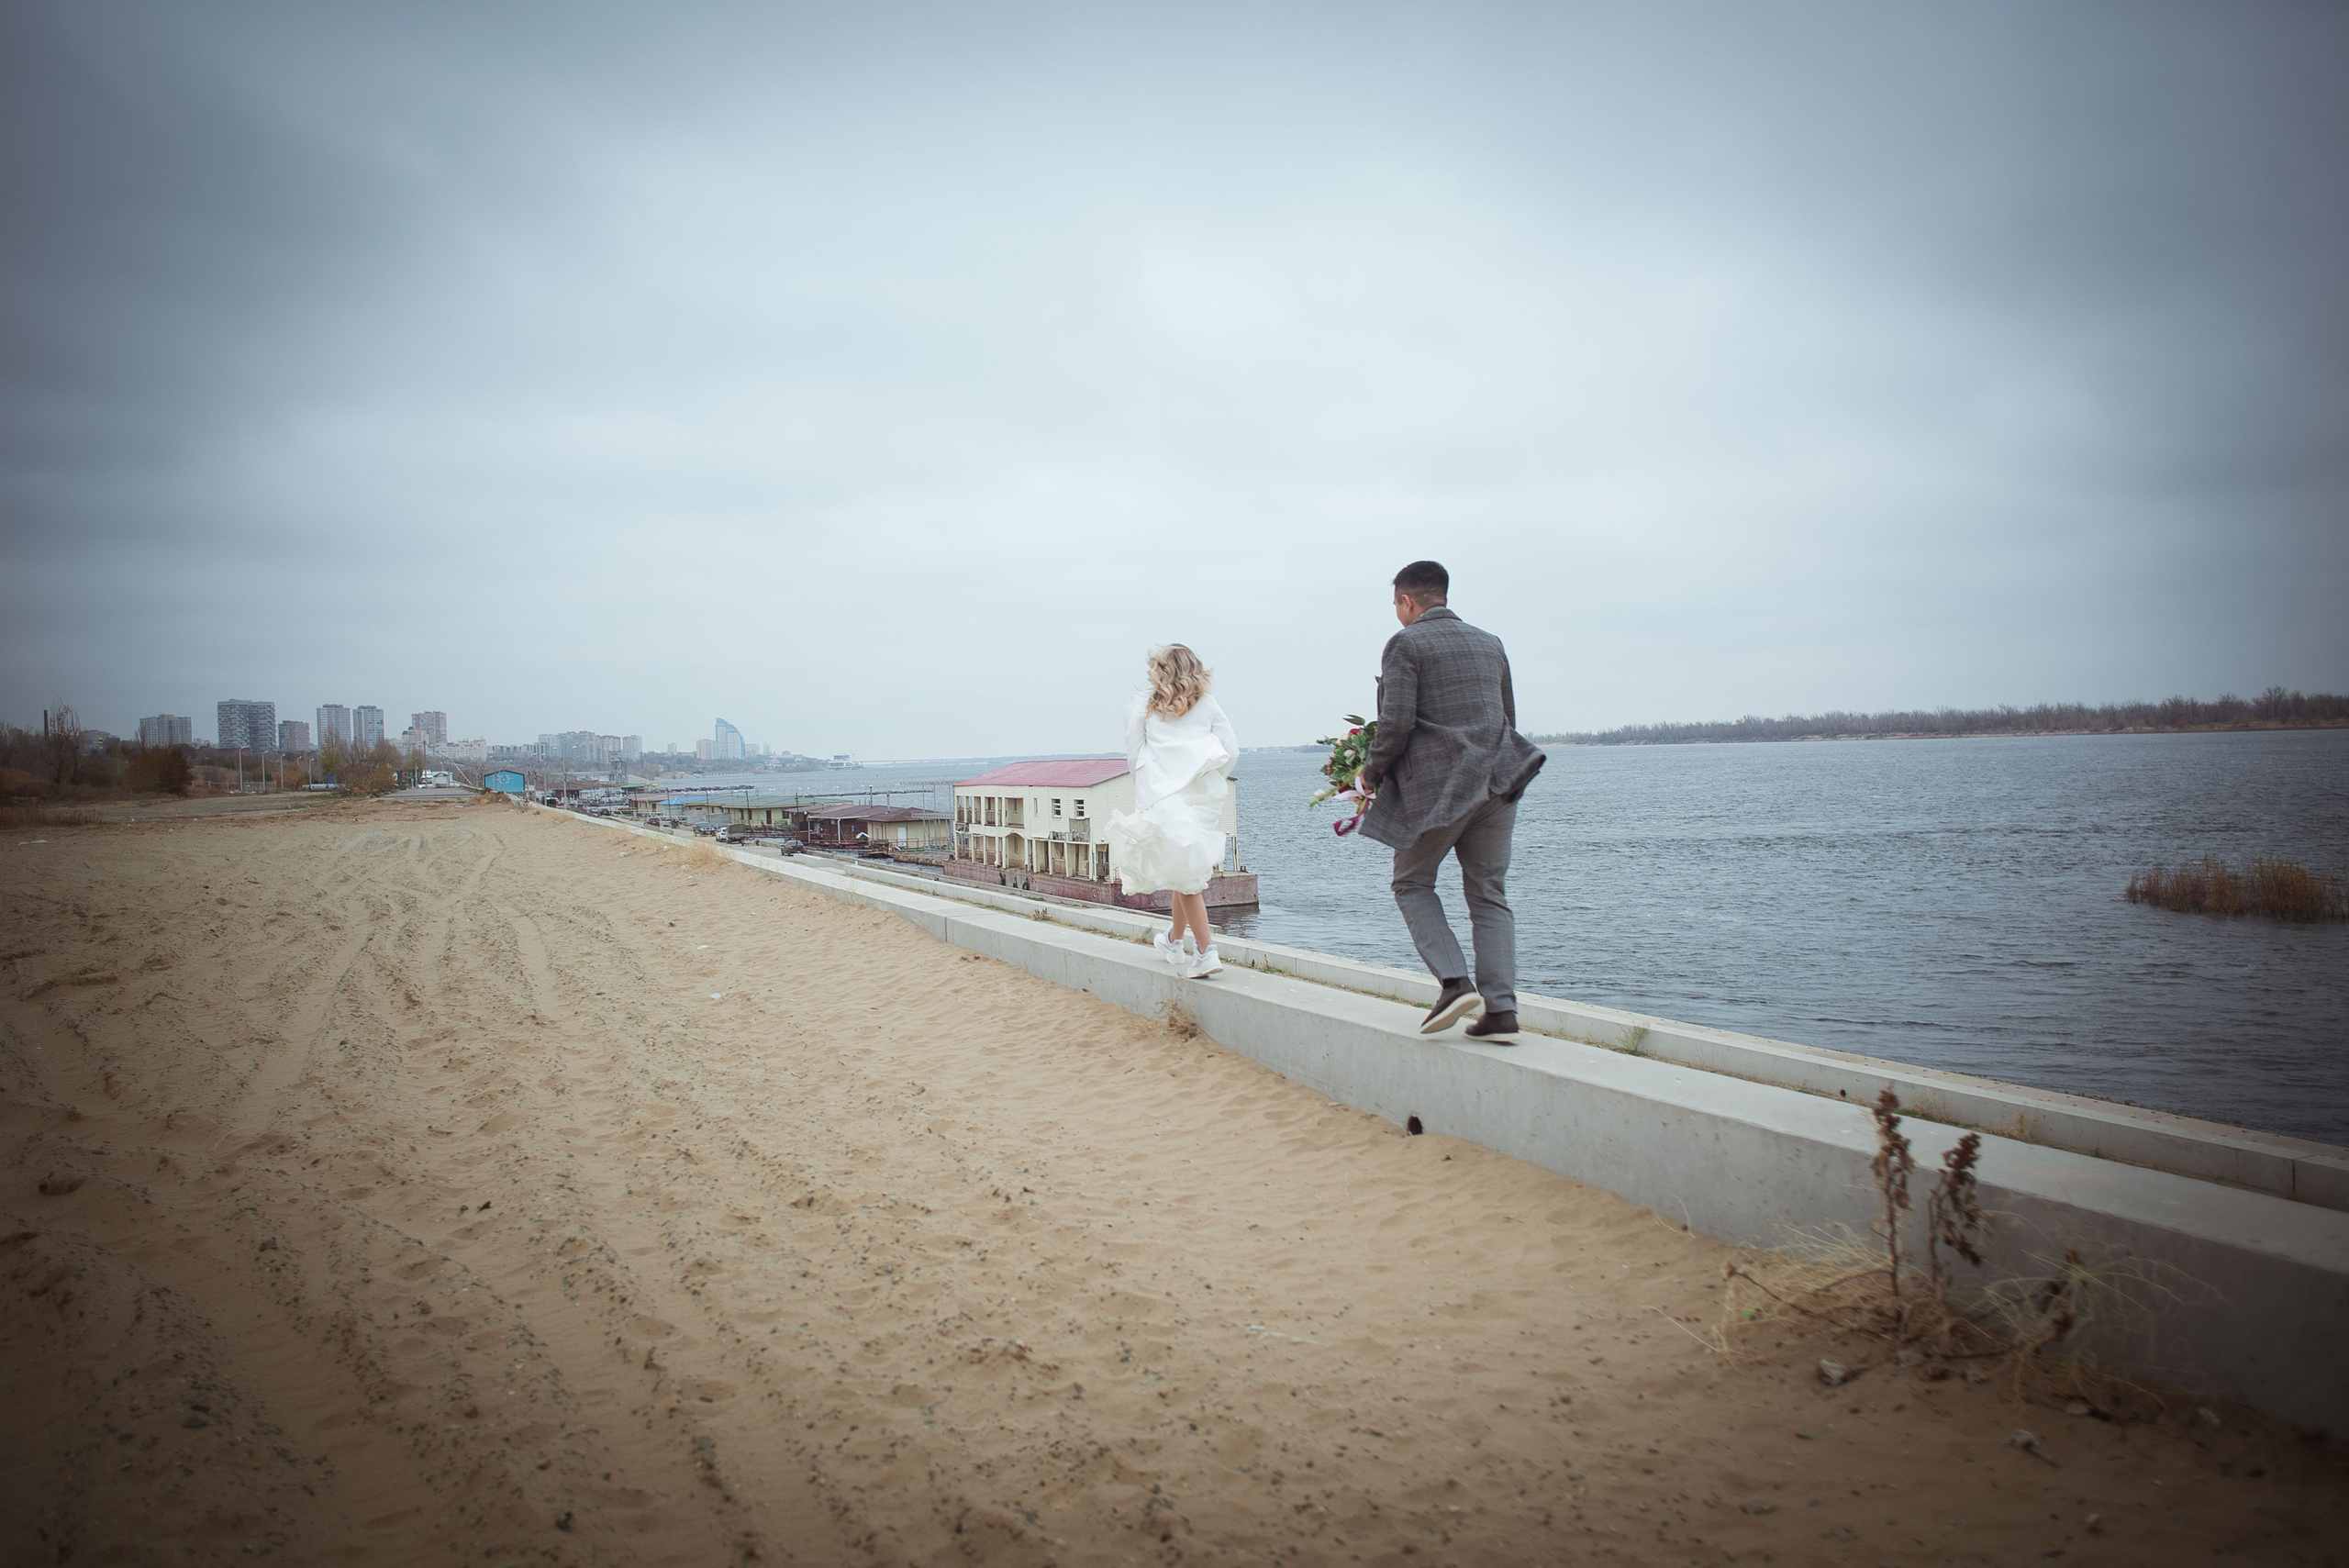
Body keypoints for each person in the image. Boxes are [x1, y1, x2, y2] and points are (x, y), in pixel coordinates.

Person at [1358, 561, 1545, 1040]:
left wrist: (1369, 773)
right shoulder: (1490, 642)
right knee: (1488, 894)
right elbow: (1508, 717)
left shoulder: (1405, 642)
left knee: (1411, 882)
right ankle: (1501, 1010)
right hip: (1500, 780)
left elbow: (1396, 724)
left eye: (1396, 605)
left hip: (1443, 789)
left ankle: (1455, 983)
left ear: (1406, 602)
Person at [1108, 644, 1239, 979]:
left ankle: (1207, 952)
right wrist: (1207, 780)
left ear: (1159, 670)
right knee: (1185, 871)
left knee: (1187, 876)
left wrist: (1149, 795)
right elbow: (1231, 750)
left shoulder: (1142, 705)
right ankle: (1172, 939)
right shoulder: (1207, 705)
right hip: (1201, 797)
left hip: (1162, 798)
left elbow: (1135, 756)